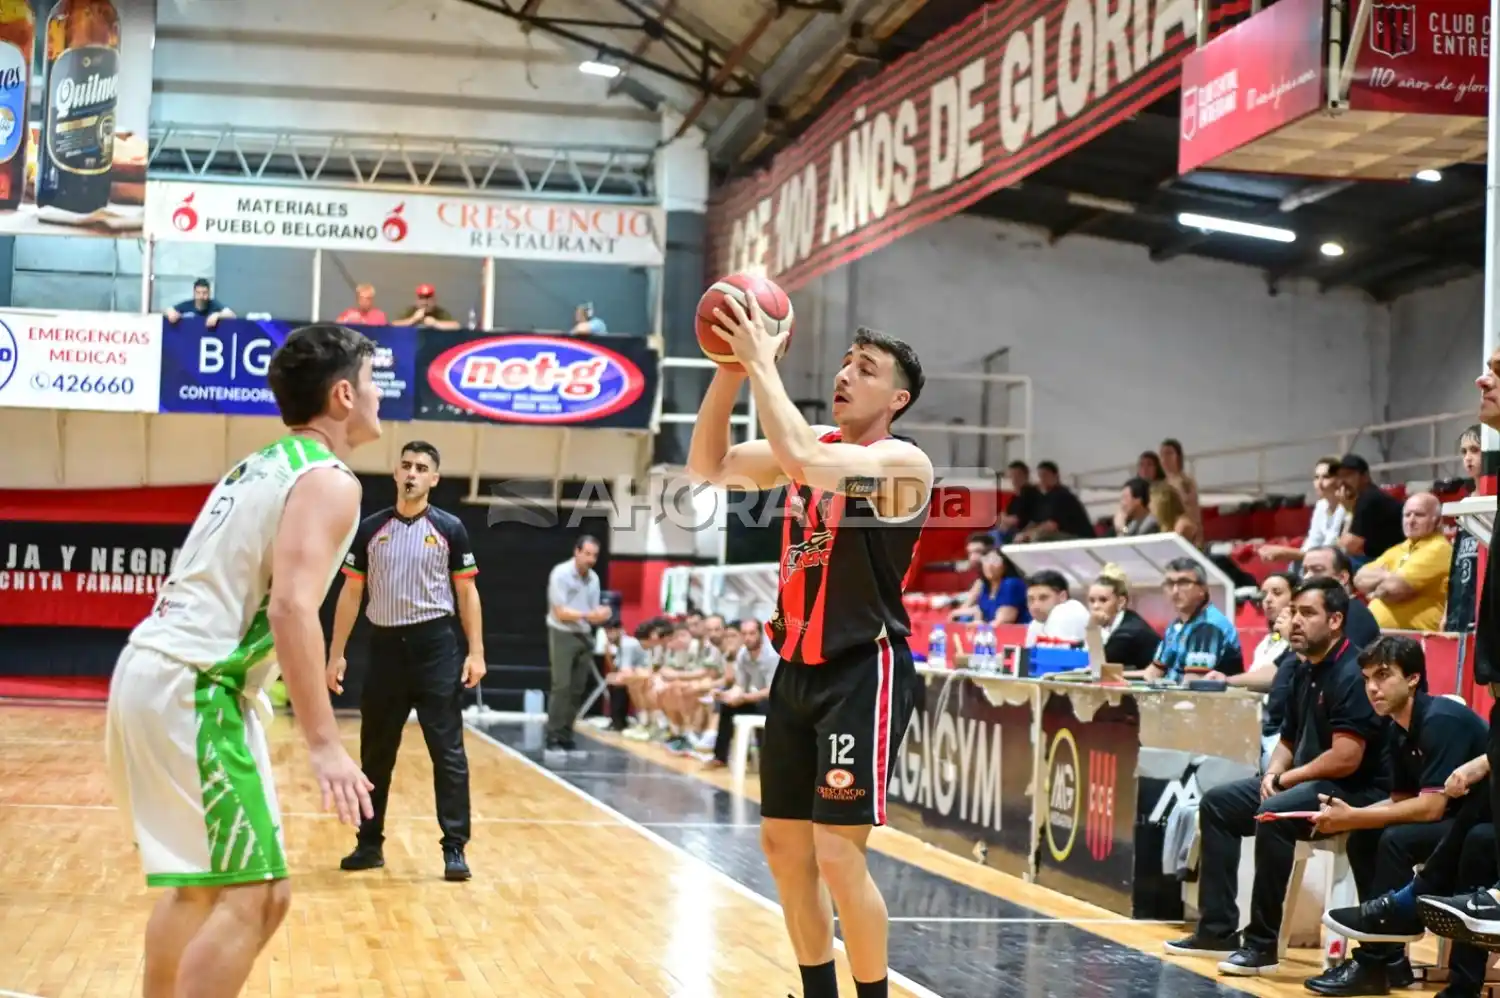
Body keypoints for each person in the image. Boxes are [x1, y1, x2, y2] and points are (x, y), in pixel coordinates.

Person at [104, 323, 381, 998]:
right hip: (196, 685)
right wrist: (324, 743)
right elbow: (290, 607)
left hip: (162, 671)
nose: (380, 396)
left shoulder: (261, 463)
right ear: (343, 396)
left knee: (205, 892)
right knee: (257, 897)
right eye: (373, 382)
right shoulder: (329, 480)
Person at [687, 298, 932, 998]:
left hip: (864, 669)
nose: (846, 375)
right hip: (795, 670)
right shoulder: (817, 445)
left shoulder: (902, 462)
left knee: (836, 853)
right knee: (784, 850)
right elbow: (710, 466)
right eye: (846, 363)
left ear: (898, 397)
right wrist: (729, 369)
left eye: (867, 369)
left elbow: (796, 455)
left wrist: (762, 358)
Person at [1164, 577, 1388, 976]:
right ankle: (1216, 929)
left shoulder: (1353, 673)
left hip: (1350, 790)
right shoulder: (1304, 668)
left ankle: (1261, 946)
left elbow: (1346, 758)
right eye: (1295, 612)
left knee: (1273, 813)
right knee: (1218, 804)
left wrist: (1286, 782)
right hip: (1305, 781)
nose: (1295, 621)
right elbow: (1288, 737)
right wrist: (1273, 772)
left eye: (1307, 613)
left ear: (1335, 620)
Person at [326, 441, 486, 882]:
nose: (413, 473)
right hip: (384, 650)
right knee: (375, 755)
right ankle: (368, 843)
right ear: (396, 474)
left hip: (435, 648)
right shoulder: (370, 529)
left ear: (435, 478)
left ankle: (454, 848)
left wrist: (476, 652)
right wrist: (335, 653)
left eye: (422, 468)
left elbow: (467, 593)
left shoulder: (451, 529)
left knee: (448, 754)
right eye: (406, 466)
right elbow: (352, 592)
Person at [1301, 635, 1487, 996]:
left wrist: (1354, 816)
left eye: (1383, 676)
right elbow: (1400, 800)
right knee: (1365, 838)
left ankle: (1373, 959)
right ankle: (1391, 958)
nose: (1373, 688)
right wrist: (1350, 816)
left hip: (1480, 823)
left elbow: (1431, 807)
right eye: (1368, 679)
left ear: (1413, 678)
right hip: (1454, 823)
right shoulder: (1395, 729)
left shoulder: (1440, 720)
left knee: (1394, 840)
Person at [545, 535, 610, 757]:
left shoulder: (594, 579)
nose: (591, 559)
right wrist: (588, 615)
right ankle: (552, 735)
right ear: (577, 552)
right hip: (562, 633)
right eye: (588, 554)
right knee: (561, 686)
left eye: (595, 555)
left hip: (584, 634)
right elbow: (560, 612)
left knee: (577, 689)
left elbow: (592, 613)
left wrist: (601, 614)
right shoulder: (561, 574)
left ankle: (566, 735)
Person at [1130, 558, 1243, 683]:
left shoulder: (1208, 626)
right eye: (1170, 583)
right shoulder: (1176, 626)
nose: (1175, 591)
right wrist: (1117, 676)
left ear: (1203, 589)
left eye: (1183, 583)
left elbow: (1192, 684)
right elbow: (1154, 672)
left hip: (1208, 700)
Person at [1084, 564, 1159, 671]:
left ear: (1121, 602)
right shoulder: (1127, 620)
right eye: (1092, 600)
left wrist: (1092, 628)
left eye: (1103, 600)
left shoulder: (1127, 633)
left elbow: (1098, 671)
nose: (1096, 606)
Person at [949, 547, 1028, 625]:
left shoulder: (1011, 584)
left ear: (1005, 565)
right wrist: (956, 613)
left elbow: (1002, 622)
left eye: (995, 561)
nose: (989, 566)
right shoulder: (985, 586)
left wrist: (981, 625)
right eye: (986, 560)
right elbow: (980, 610)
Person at [164, 277, 236, 328]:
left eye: (204, 293)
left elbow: (232, 315)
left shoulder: (213, 304)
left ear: (209, 293)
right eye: (198, 293)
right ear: (194, 293)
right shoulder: (187, 305)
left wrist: (217, 315)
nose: (201, 296)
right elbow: (168, 310)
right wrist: (171, 313)